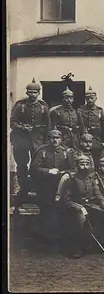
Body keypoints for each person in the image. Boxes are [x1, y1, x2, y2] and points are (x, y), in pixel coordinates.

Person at [60, 154, 104, 258]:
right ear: (77, 165)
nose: (85, 167)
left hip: (90, 206)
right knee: (81, 219)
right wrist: (80, 207)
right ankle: (77, 247)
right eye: (82, 164)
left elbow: (98, 195)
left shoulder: (91, 179)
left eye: (86, 164)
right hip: (75, 208)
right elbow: (67, 200)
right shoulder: (71, 179)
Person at [30, 130, 73, 251]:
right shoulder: (42, 151)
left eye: (58, 138)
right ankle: (48, 241)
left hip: (62, 187)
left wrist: (65, 174)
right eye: (52, 138)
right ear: (48, 139)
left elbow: (72, 169)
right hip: (46, 187)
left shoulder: (66, 152)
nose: (55, 140)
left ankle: (60, 240)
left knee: (62, 212)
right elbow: (34, 169)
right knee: (48, 212)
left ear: (61, 139)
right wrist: (48, 171)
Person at [10, 78, 50, 206]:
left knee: (36, 165)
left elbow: (48, 125)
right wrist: (22, 128)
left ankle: (38, 189)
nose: (32, 95)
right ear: (27, 93)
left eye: (35, 92)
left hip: (37, 140)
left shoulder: (43, 107)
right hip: (21, 139)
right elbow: (12, 122)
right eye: (30, 92)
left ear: (39, 93)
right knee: (21, 165)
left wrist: (46, 142)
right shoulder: (20, 105)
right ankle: (24, 189)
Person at [77, 86, 104, 159]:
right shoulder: (80, 110)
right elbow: (77, 125)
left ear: (96, 98)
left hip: (96, 140)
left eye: (91, 98)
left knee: (96, 158)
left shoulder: (100, 111)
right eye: (87, 98)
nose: (89, 100)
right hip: (83, 139)